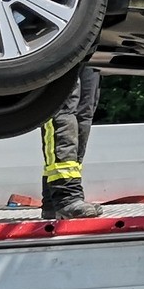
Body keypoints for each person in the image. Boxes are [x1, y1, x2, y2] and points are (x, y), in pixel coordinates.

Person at [41, 64, 103, 220]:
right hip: (61, 48)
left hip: (92, 47)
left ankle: (52, 200)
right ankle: (65, 196)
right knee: (62, 110)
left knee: (84, 114)